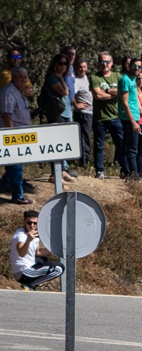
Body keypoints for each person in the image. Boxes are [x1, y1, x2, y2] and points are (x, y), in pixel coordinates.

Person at [9, 211, 63, 290]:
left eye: (35, 223)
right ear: (24, 222)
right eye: (29, 223)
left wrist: (53, 249)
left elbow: (37, 252)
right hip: (22, 272)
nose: (32, 225)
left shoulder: (35, 234)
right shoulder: (20, 235)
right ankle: (32, 285)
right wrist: (28, 240)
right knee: (59, 268)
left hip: (27, 268)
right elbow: (21, 253)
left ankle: (30, 284)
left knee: (43, 259)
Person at [1, 67, 32, 204]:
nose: (23, 80)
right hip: (14, 135)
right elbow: (7, 115)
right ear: (13, 77)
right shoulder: (9, 92)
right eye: (20, 77)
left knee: (15, 166)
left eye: (25, 77)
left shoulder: (20, 92)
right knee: (16, 165)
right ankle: (18, 195)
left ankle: (8, 185)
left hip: (22, 134)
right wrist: (12, 133)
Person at [90, 52, 123, 180]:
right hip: (100, 118)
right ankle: (99, 170)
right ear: (99, 63)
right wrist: (114, 93)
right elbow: (97, 95)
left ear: (112, 63)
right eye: (102, 62)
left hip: (116, 116)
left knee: (121, 143)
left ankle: (123, 169)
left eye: (107, 61)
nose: (105, 64)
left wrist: (107, 91)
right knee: (99, 145)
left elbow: (122, 91)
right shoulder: (94, 77)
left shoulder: (117, 76)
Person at [117, 57, 142, 181]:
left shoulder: (133, 80)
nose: (137, 69)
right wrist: (132, 121)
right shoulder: (125, 80)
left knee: (133, 147)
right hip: (129, 118)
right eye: (134, 66)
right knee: (131, 148)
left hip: (135, 116)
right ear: (129, 67)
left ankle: (130, 174)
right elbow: (125, 103)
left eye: (139, 66)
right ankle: (133, 175)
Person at [72, 59, 94, 168]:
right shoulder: (75, 80)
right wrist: (76, 105)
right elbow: (71, 94)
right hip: (83, 113)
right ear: (76, 68)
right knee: (84, 137)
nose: (82, 69)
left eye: (84, 67)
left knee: (87, 137)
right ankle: (84, 162)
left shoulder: (86, 78)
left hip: (90, 112)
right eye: (80, 67)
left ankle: (85, 160)